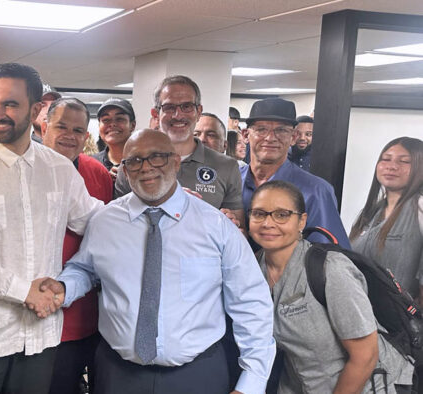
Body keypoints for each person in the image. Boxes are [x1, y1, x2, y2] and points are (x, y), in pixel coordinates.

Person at [45, 129, 275, 394]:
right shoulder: (105, 222)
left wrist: (252, 383)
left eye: (157, 157)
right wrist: (64, 287)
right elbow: (85, 269)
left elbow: (250, 302)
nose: (146, 168)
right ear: (124, 170)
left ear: (175, 162)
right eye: (134, 161)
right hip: (117, 375)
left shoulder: (216, 226)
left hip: (198, 375)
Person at [0, 63, 102, 394]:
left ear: (36, 110)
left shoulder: (59, 169)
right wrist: (23, 290)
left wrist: (149, 205)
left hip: (41, 334)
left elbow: (94, 219)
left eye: (10, 104)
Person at [249, 180, 413, 393]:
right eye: (259, 214)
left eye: (282, 215)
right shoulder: (252, 269)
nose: (268, 223)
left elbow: (365, 356)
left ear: (301, 221)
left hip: (366, 385)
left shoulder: (330, 268)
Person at [39, 97, 112, 394]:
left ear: (86, 136)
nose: (70, 135)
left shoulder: (98, 172)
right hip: (35, 312)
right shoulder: (24, 170)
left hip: (84, 314)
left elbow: (112, 229)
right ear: (44, 128)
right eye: (62, 127)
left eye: (78, 130)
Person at [114, 76, 245, 230]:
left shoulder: (226, 166)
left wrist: (230, 225)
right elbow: (118, 223)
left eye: (187, 106)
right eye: (169, 107)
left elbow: (240, 231)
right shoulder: (133, 164)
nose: (178, 115)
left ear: (199, 111)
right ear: (156, 113)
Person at [240, 97, 350, 248]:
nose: (270, 138)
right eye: (261, 129)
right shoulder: (232, 181)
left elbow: (330, 253)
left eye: (281, 130)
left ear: (294, 137)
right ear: (246, 135)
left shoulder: (315, 191)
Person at [351, 137, 423, 300]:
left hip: (401, 313)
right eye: (386, 159)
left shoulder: (420, 207)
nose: (392, 166)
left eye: (404, 161)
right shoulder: (370, 212)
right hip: (360, 310)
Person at [93, 97, 135, 180]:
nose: (112, 124)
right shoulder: (92, 163)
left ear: (132, 125)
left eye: (119, 119)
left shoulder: (144, 161)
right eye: (106, 120)